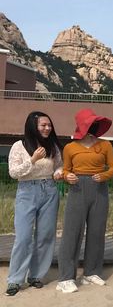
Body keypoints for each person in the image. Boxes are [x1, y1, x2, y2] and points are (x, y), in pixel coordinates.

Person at [57, 109, 113, 293]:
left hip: (99, 189)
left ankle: (91, 272)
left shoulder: (105, 145)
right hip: (77, 188)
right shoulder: (70, 147)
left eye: (96, 123)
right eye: (91, 123)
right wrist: (67, 176)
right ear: (83, 125)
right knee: (72, 232)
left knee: (97, 231)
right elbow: (66, 169)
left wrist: (104, 175)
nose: (94, 126)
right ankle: (66, 277)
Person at [6, 111, 63, 296]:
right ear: (33, 126)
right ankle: (15, 279)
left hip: (50, 190)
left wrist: (58, 173)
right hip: (26, 191)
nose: (47, 128)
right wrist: (32, 160)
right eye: (43, 125)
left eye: (49, 125)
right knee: (23, 237)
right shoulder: (19, 146)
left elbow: (58, 165)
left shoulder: (52, 146)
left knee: (45, 235)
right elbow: (13, 172)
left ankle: (36, 275)